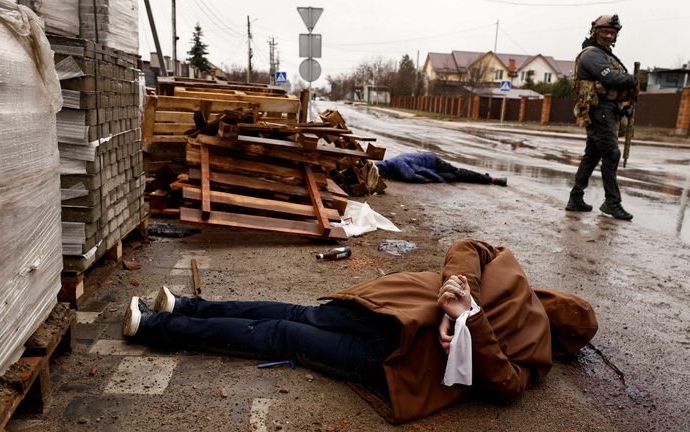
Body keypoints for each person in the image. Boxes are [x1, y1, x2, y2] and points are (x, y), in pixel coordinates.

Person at [122, 239, 597, 424]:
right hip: (392, 349)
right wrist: (463, 307)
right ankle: (158, 323)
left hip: (387, 320)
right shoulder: (528, 320)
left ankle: (181, 306)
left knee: (292, 317)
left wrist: (466, 307)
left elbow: (468, 247)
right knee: (284, 333)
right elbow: (506, 387)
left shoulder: (514, 279)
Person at [566, 14, 638, 220]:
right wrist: (631, 80)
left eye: (612, 33)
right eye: (605, 31)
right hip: (599, 110)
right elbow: (609, 77)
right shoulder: (592, 55)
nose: (608, 35)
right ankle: (612, 203)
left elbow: (614, 81)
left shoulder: (605, 54)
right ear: (595, 32)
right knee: (612, 154)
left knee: (592, 155)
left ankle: (575, 198)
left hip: (606, 109)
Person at [374, 152, 507, 186]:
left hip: (434, 162)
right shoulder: (392, 163)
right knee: (455, 177)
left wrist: (426, 180)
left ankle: (491, 179)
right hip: (431, 168)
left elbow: (409, 176)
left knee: (458, 173)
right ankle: (483, 178)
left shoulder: (397, 162)